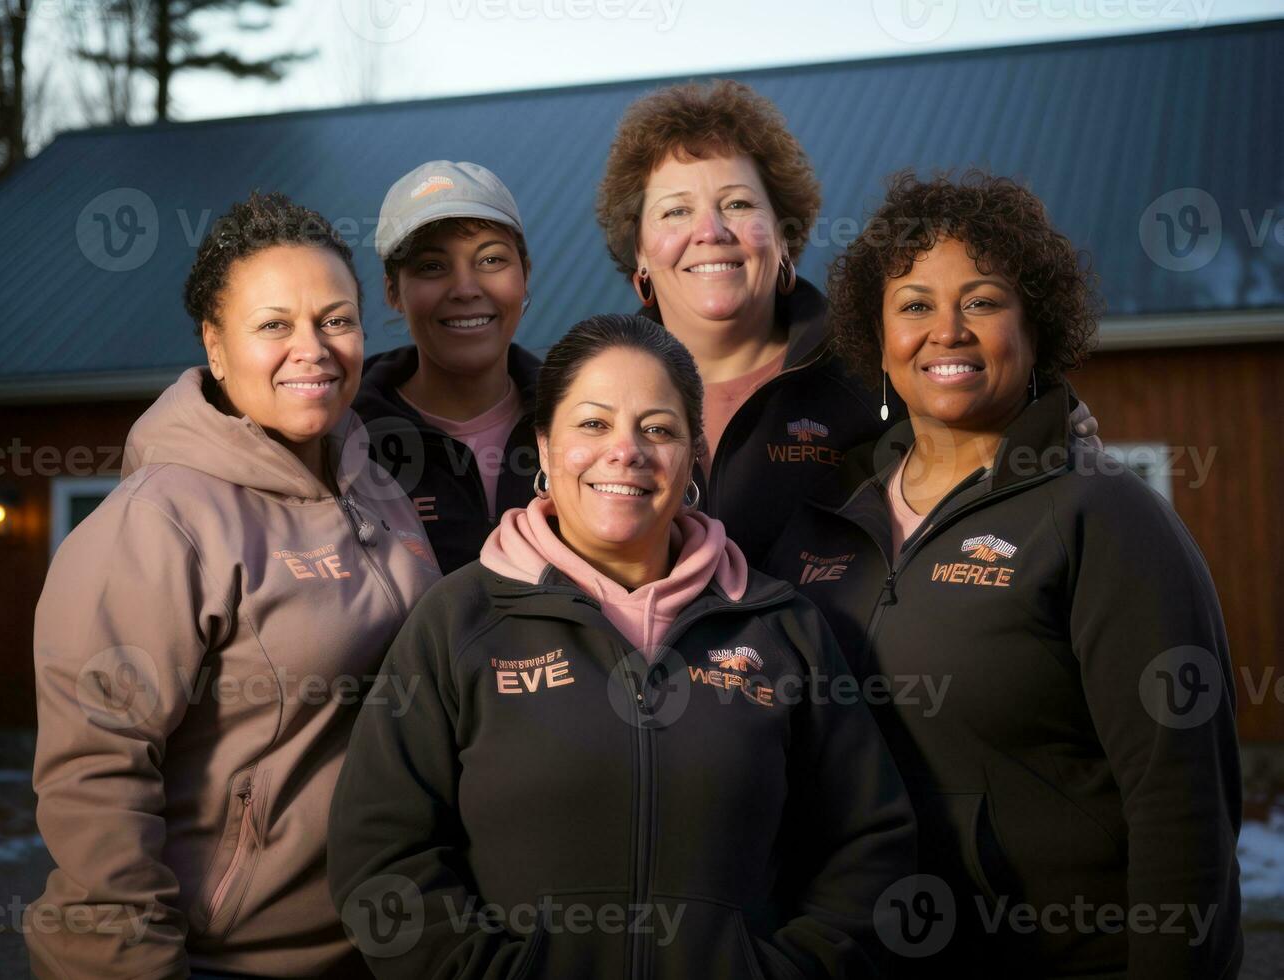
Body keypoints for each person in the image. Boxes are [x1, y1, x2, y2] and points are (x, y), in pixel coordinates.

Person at [328, 314, 916, 979]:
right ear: (545, 449)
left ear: (692, 454)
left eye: (657, 429)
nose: (626, 451)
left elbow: (870, 845)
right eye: (593, 424)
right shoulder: (457, 621)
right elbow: (381, 854)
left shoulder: (781, 626)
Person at [765, 171, 1243, 978]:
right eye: (914, 304)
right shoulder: (827, 519)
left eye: (982, 301)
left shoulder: (1102, 515)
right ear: (875, 336)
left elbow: (1182, 802)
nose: (945, 330)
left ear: (1036, 325)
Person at [25, 192, 440, 979]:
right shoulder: (157, 524)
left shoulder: (378, 491)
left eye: (336, 320)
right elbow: (95, 783)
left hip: (381, 948)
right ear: (216, 347)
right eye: (274, 324)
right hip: (229, 957)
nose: (312, 348)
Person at [595, 81, 1099, 566]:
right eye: (675, 211)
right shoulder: (587, 387)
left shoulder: (879, 369)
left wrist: (1057, 420)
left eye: (738, 204)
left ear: (783, 234)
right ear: (639, 249)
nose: (710, 231)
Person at [353, 160, 540, 572]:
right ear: (393, 292)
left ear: (525, 275)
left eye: (490, 260)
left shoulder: (583, 416)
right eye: (432, 266)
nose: (466, 289)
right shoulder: (344, 434)